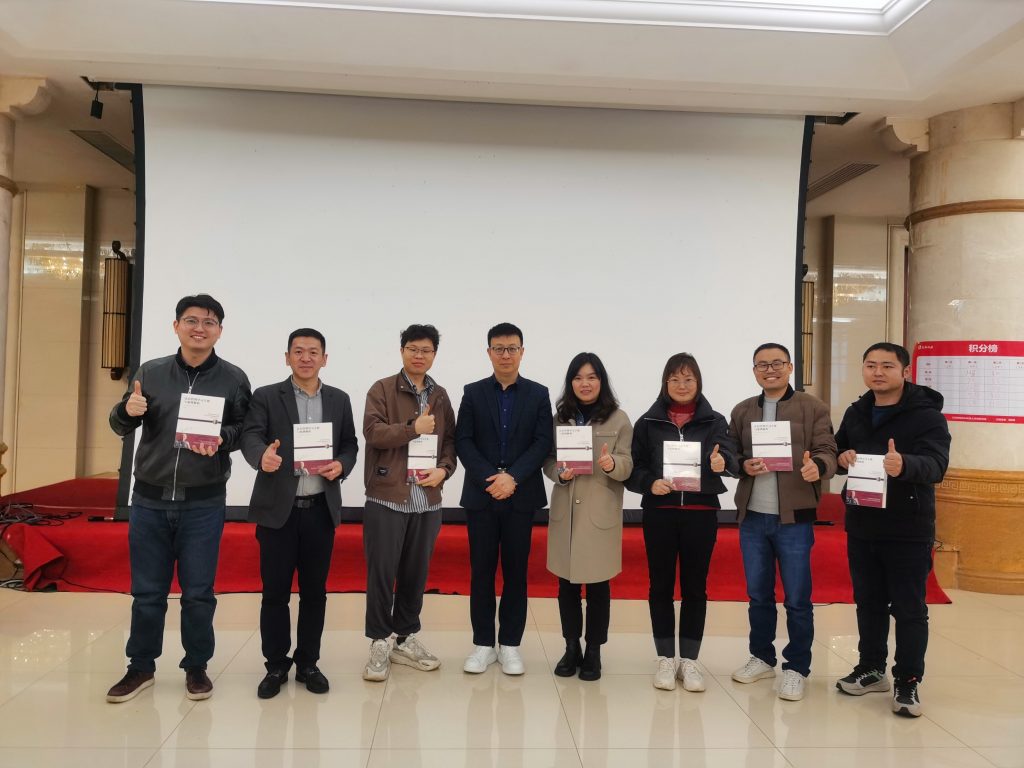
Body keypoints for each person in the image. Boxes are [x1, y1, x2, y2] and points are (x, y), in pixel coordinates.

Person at [106, 294, 251, 703]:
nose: (199, 328)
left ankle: (196, 667)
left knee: (198, 593)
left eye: (209, 322)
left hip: (203, 502)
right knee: (147, 592)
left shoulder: (234, 378)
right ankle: (140, 667)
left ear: (219, 331)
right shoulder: (150, 372)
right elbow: (119, 424)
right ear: (176, 326)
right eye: (191, 320)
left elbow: (245, 429)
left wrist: (221, 438)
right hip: (149, 500)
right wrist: (128, 410)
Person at [240, 328, 358, 699]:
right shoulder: (266, 396)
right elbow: (250, 435)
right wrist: (261, 456)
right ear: (287, 357)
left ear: (325, 358)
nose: (306, 358)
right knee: (274, 593)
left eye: (313, 352)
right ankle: (276, 665)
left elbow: (350, 444)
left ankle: (308, 663)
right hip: (278, 511)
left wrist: (342, 464)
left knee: (314, 594)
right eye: (298, 351)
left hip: (320, 510)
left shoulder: (339, 399)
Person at [834, 342, 950, 718]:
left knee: (909, 608)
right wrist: (842, 457)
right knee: (868, 602)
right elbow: (838, 453)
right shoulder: (856, 411)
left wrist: (906, 465)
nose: (878, 372)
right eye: (871, 365)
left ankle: (908, 679)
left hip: (907, 526)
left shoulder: (927, 416)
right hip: (863, 522)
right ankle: (871, 668)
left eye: (887, 365)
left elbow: (937, 465)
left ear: (905, 372)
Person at [727, 342, 837, 701]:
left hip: (794, 519)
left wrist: (817, 466)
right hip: (753, 517)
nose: (770, 370)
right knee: (758, 595)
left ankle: (796, 667)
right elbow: (731, 454)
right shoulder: (743, 410)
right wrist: (741, 465)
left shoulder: (812, 407)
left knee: (797, 599)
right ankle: (761, 657)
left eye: (777, 363)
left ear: (790, 367)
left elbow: (827, 450)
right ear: (754, 371)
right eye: (762, 365)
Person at [627, 352, 737, 692]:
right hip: (659, 513)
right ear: (665, 383)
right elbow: (634, 469)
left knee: (695, 588)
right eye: (675, 379)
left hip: (701, 514)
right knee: (659, 586)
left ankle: (689, 660)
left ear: (698, 382)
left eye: (688, 379)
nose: (682, 385)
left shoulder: (715, 421)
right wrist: (650, 483)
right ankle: (665, 658)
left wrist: (722, 463)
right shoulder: (648, 422)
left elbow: (731, 458)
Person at [361, 324, 457, 682]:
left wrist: (444, 471)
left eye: (426, 350)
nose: (419, 355)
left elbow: (450, 442)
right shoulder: (382, 389)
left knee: (416, 573)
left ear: (435, 355)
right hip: (387, 495)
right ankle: (378, 641)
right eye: (413, 349)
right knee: (382, 573)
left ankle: (404, 637)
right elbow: (373, 433)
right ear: (402, 350)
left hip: (427, 499)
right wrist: (413, 428)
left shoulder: (441, 395)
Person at [456, 322, 552, 675]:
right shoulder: (473, 392)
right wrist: (491, 478)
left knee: (516, 572)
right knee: (481, 571)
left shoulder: (538, 394)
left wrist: (513, 477)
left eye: (512, 348)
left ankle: (510, 644)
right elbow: (463, 440)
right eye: (499, 348)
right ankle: (483, 644)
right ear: (489, 352)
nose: (506, 354)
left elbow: (542, 441)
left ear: (522, 352)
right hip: (482, 496)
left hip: (520, 495)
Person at [542, 352, 633, 682]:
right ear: (570, 383)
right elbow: (548, 460)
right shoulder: (560, 418)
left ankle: (594, 650)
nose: (585, 383)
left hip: (599, 513)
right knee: (566, 586)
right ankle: (571, 647)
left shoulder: (619, 419)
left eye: (592, 377)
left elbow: (628, 464)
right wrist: (559, 473)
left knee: (598, 587)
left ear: (601, 381)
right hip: (566, 512)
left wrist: (612, 464)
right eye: (578, 378)